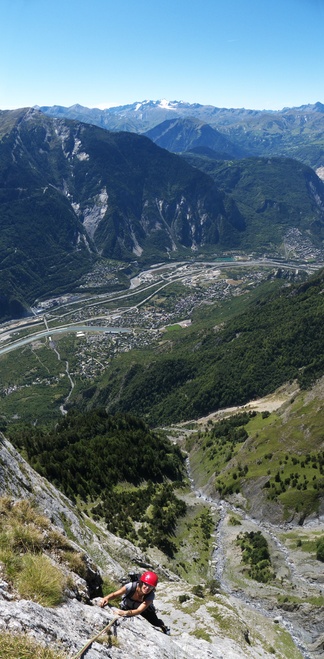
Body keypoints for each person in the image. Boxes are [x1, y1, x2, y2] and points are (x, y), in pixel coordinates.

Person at [100, 570, 170, 634]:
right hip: (127, 606)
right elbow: (115, 594)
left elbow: (139, 610)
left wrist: (125, 613)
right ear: (141, 582)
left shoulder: (150, 595)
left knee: (155, 622)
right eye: (146, 584)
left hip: (144, 610)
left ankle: (164, 627)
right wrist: (106, 598)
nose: (147, 588)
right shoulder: (130, 586)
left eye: (151, 587)